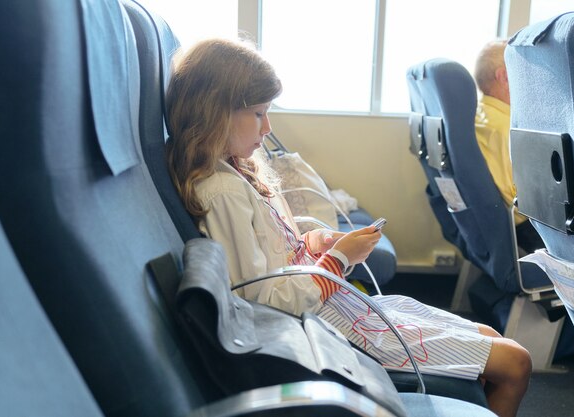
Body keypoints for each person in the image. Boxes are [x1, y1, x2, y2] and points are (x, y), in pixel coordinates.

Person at [166, 38, 531, 417]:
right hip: (321, 325)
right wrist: (339, 259)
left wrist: (316, 242)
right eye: (259, 114)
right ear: (216, 112)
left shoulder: (234, 171)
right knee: (516, 363)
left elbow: (271, 258)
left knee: (491, 338)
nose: (268, 126)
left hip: (330, 306)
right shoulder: (223, 191)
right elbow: (263, 301)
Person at [474, 39, 544, 254]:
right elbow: (516, 199)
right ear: (504, 76)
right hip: (526, 230)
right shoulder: (504, 129)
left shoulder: (481, 115)